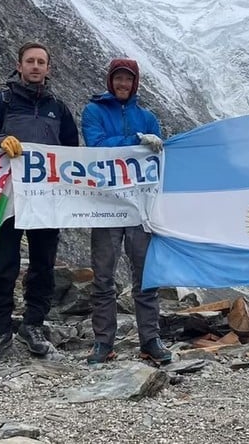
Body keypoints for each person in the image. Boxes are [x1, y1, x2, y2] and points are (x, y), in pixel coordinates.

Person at [0, 41, 79, 364]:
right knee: (2, 263)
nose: (36, 66)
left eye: (42, 61)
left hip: (46, 197)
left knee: (43, 264)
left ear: (48, 68)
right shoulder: (3, 100)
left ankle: (33, 325)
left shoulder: (59, 107)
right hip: (8, 197)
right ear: (20, 65)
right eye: (30, 61)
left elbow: (71, 150)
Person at [80, 58, 172, 365]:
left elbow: (159, 160)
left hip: (139, 209)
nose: (123, 84)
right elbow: (96, 146)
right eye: (118, 79)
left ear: (135, 84)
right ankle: (103, 342)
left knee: (145, 276)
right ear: (110, 81)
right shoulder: (94, 111)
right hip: (106, 205)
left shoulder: (148, 117)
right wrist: (134, 141)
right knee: (103, 277)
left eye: (128, 80)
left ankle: (150, 339)